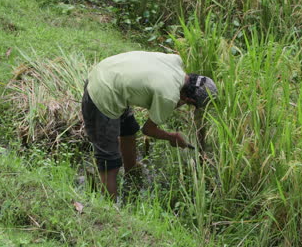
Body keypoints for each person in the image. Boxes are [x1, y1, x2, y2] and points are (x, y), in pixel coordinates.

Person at [81, 51, 217, 199]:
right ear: (188, 98)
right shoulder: (169, 95)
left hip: (108, 72)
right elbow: (148, 130)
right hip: (103, 90)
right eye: (190, 105)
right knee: (109, 159)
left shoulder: (175, 62)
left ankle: (131, 175)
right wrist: (172, 137)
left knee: (128, 129)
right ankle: (109, 208)